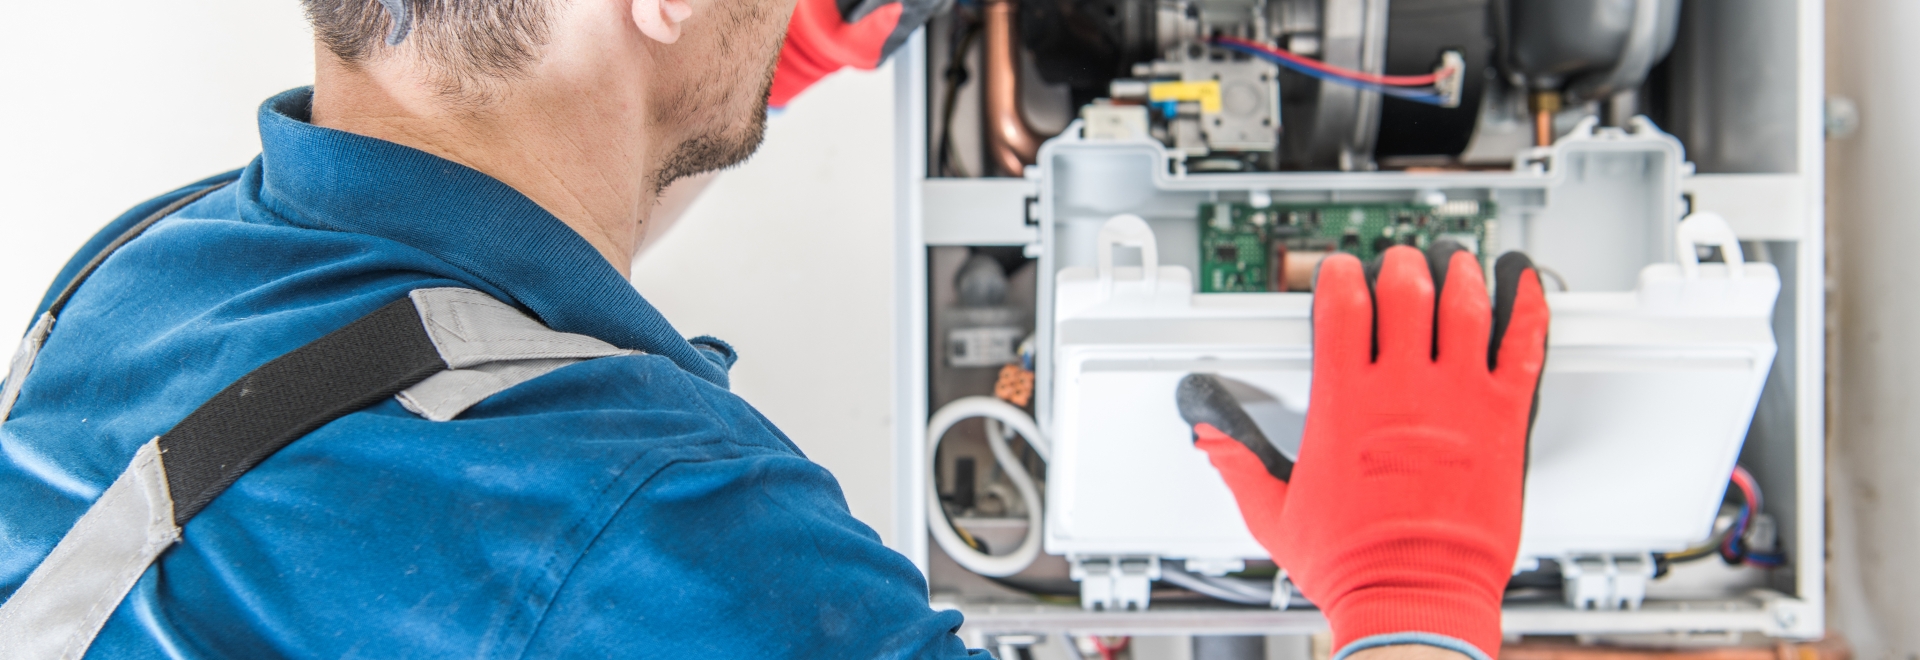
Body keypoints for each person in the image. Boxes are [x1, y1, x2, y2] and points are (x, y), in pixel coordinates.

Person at [0, 0, 1547, 658]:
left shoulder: (158, 264)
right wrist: (1412, 593)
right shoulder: (656, 535)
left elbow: (472, 293)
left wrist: (739, 66)